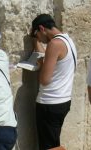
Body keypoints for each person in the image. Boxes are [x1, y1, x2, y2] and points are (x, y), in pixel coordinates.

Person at [31, 14, 77, 150]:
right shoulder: (67, 40)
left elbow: (44, 80)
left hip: (49, 103)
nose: (38, 38)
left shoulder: (54, 44)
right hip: (63, 101)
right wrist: (36, 42)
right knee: (53, 143)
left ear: (41, 28)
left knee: (48, 147)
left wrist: (41, 64)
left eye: (37, 34)